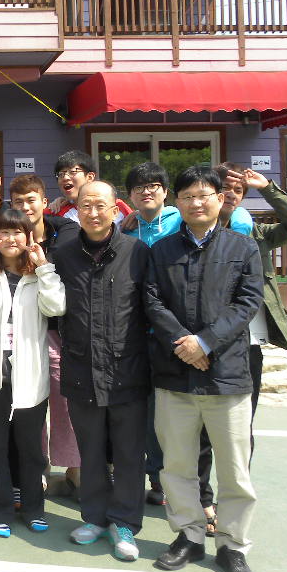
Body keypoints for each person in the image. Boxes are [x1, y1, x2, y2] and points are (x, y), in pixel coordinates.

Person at [144, 165, 263, 572]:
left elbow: (248, 302)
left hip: (227, 375)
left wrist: (206, 343)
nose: (196, 202)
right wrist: (186, 344)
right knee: (177, 465)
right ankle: (189, 536)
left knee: (234, 469)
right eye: (188, 196)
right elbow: (152, 301)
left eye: (204, 195)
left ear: (220, 198)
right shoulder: (161, 250)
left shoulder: (243, 247)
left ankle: (232, 545)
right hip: (175, 373)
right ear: (177, 202)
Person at [192, 163, 287, 532]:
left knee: (241, 428)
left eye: (239, 189)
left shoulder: (255, 234)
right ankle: (202, 499)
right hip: (205, 343)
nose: (232, 194)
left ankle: (232, 500)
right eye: (225, 187)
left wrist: (267, 187)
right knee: (201, 429)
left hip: (247, 344)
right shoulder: (194, 233)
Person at [53, 181, 152, 562]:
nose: (93, 213)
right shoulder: (63, 253)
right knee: (90, 450)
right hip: (81, 367)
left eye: (100, 206)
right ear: (76, 210)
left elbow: (151, 308)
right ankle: (94, 516)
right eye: (86, 206)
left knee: (129, 452)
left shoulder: (137, 252)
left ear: (115, 209)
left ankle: (124, 522)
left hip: (128, 369)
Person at [0, 209, 66, 538]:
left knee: (31, 449)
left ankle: (33, 508)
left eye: (17, 232)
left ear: (29, 236)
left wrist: (44, 267)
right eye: (3, 232)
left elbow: (56, 307)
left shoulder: (40, 275)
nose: (10, 239)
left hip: (30, 375)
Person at [8, 174, 82, 498]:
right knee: (30, 404)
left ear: (44, 201)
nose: (25, 207)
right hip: (23, 332)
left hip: (59, 332)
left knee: (65, 404)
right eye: (18, 201)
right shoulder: (10, 237)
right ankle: (38, 467)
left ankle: (74, 468)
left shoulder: (64, 235)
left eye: (31, 200)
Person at [119, 161, 181, 506]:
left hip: (176, 331)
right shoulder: (127, 229)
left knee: (177, 411)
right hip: (137, 332)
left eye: (153, 185)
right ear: (130, 195)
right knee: (145, 410)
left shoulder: (180, 221)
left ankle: (184, 482)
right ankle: (156, 477)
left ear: (165, 191)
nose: (147, 191)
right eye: (139, 187)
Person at [49, 150, 132, 225]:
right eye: (61, 174)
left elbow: (138, 223)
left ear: (90, 177)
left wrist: (137, 213)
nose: (65, 178)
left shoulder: (118, 206)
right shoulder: (56, 212)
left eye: (72, 172)